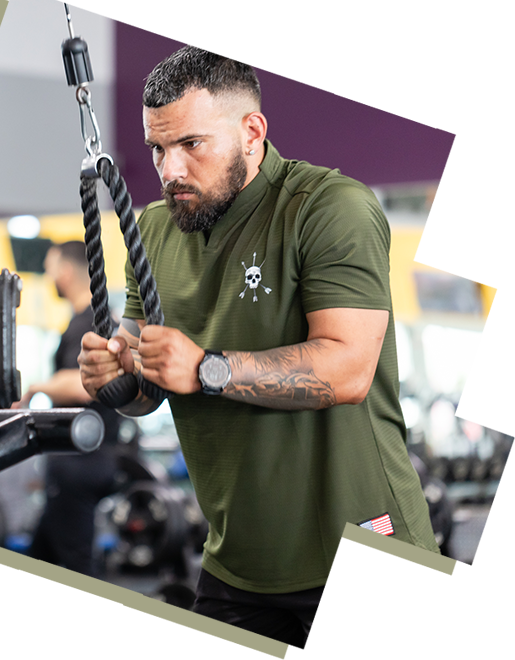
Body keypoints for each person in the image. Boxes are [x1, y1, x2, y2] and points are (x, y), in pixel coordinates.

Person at [78, 45, 440, 655]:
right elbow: (147, 389)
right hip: (238, 561)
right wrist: (117, 375)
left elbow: (349, 368)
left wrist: (207, 368)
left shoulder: (328, 208)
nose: (170, 170)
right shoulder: (157, 230)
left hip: (368, 553)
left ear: (252, 132)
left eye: (192, 144)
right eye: (157, 149)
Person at [12, 241, 120, 577]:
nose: (48, 277)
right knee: (39, 555)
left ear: (67, 272)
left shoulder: (88, 323)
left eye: (50, 268)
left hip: (81, 462)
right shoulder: (88, 320)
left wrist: (33, 388)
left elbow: (84, 385)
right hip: (79, 460)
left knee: (77, 566)